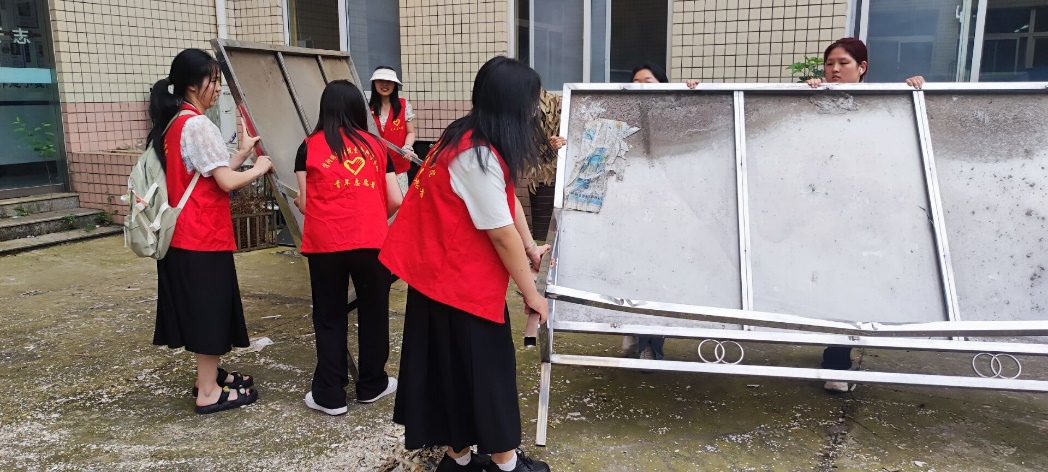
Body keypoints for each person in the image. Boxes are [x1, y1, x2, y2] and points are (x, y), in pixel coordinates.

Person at [380, 56, 555, 472]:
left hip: (440, 277)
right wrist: (532, 295)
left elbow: (506, 200)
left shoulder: (468, 136)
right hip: (458, 281)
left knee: (451, 371)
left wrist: (530, 246)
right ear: (512, 105)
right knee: (488, 372)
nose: (535, 111)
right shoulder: (477, 155)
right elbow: (499, 233)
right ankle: (504, 463)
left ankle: (457, 458)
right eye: (532, 102)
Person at [149, 48, 272, 414]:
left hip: (183, 237)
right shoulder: (199, 125)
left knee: (205, 310)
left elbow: (209, 171)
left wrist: (243, 154)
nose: (218, 88)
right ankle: (207, 391)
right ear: (192, 84)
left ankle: (210, 377)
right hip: (201, 236)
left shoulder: (175, 122)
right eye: (212, 80)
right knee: (209, 313)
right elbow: (226, 182)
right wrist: (259, 168)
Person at [804, 37, 925, 393]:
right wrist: (806, 94)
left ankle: (836, 361)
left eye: (843, 63)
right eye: (829, 63)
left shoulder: (881, 103)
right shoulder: (817, 101)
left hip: (867, 213)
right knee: (828, 283)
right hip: (823, 211)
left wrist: (913, 88)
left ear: (862, 68)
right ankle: (834, 359)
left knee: (854, 284)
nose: (834, 69)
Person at [292, 80, 403, 415]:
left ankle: (330, 395)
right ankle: (372, 385)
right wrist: (369, 216)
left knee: (329, 315)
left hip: (325, 243)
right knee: (374, 312)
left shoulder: (307, 146)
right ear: (358, 109)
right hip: (371, 242)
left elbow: (306, 203)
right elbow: (395, 199)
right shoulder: (377, 145)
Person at [619, 63, 698, 362]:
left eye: (648, 81)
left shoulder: (673, 115)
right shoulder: (623, 117)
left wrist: (691, 93)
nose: (640, 86)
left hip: (670, 210)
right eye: (635, 81)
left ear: (663, 84)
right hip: (633, 209)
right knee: (637, 271)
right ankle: (637, 333)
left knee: (662, 276)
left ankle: (650, 343)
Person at [369, 66, 417, 194]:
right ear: (374, 83)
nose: (384, 84)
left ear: (395, 84)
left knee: (400, 201)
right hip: (375, 166)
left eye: (389, 81)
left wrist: (407, 147)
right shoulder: (367, 108)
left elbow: (411, 132)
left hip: (398, 165)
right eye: (380, 80)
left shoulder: (404, 105)